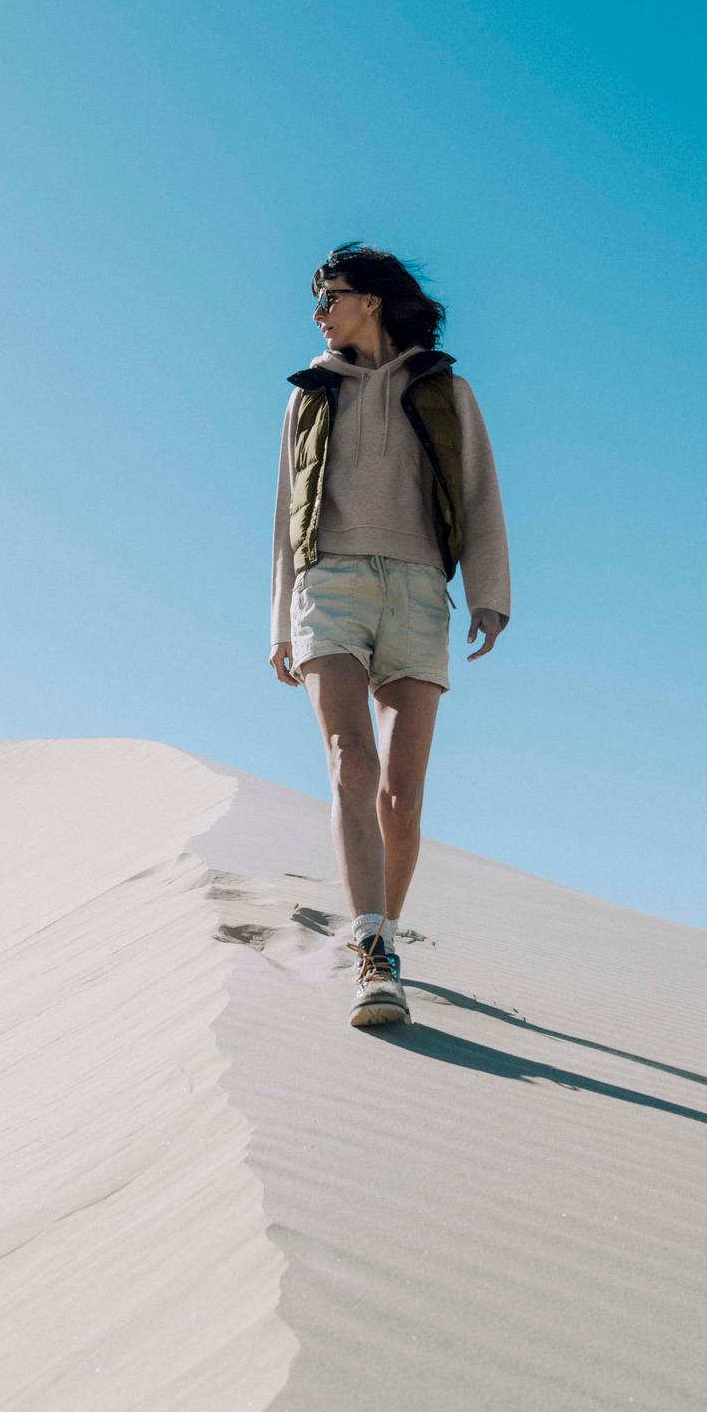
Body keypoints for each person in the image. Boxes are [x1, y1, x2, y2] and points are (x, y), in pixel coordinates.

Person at [269, 243, 511, 1028]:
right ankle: (371, 947)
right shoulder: (310, 396)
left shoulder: (445, 390)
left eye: (330, 295)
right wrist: (280, 620)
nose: (318, 313)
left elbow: (478, 493)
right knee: (351, 760)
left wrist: (489, 593)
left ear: (370, 300)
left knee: (401, 797)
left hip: (416, 594)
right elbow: (285, 515)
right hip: (330, 586)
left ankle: (388, 932)